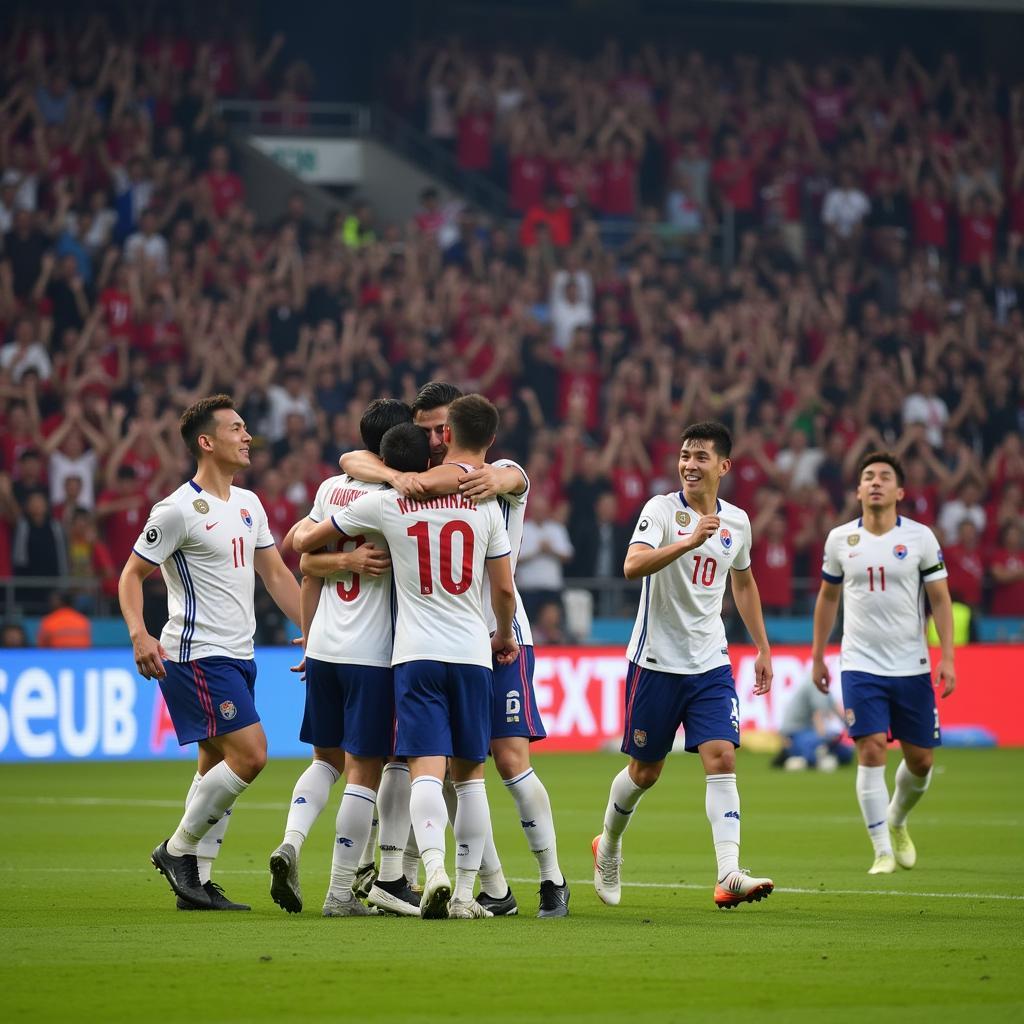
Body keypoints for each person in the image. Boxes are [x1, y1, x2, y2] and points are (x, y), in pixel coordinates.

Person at [343, 380, 570, 918]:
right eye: (424, 432)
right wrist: (399, 473)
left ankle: (552, 878)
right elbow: (353, 458)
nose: (434, 439)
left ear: (459, 427)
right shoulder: (416, 479)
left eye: (439, 428)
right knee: (450, 769)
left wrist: (418, 477)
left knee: (509, 760)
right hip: (448, 638)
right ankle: (486, 887)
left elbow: (507, 475)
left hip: (502, 635)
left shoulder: (493, 474)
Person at [296, 395, 519, 920]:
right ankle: (466, 893)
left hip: (413, 654)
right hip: (471, 652)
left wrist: (338, 553)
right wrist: (503, 634)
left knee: (420, 768)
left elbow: (303, 543)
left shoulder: (387, 504)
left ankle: (429, 869)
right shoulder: (485, 503)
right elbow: (504, 590)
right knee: (469, 779)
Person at [118, 395, 301, 911]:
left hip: (239, 656)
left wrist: (319, 631)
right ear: (206, 441)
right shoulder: (177, 509)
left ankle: (196, 881)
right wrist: (139, 633)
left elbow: (276, 575)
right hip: (196, 655)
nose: (247, 437)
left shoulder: (249, 504)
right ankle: (176, 852)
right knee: (251, 755)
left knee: (213, 768)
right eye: (236, 428)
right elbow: (131, 575)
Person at [592, 421, 775, 910]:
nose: (689, 465)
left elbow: (744, 583)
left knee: (723, 756)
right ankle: (607, 844)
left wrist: (761, 646)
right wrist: (689, 542)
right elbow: (632, 566)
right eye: (684, 456)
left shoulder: (737, 522)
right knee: (645, 772)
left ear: (723, 466)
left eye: (700, 457)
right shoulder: (661, 510)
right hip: (655, 661)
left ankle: (728, 872)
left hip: (710, 662)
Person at [268, 399, 422, 918]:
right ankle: (338, 894)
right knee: (364, 771)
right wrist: (356, 559)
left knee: (324, 759)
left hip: (327, 647)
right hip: (372, 654)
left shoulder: (332, 489)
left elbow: (304, 560)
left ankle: (290, 841)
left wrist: (308, 637)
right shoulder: (399, 500)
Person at [811, 451, 955, 875]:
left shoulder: (920, 539)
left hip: (911, 665)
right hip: (859, 664)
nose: (875, 482)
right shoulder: (840, 540)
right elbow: (828, 597)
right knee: (871, 749)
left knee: (921, 761)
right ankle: (881, 850)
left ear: (899, 491)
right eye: (868, 477)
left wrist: (947, 656)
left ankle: (897, 819)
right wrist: (819, 653)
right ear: (857, 490)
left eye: (884, 477)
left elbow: (941, 598)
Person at [776, 677, 853, 772]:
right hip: (796, 732)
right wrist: (823, 741)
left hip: (809, 732)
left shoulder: (823, 686)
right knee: (813, 750)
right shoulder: (815, 684)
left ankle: (807, 758)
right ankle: (796, 755)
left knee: (845, 753)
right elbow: (818, 715)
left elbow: (840, 713)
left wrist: (854, 727)